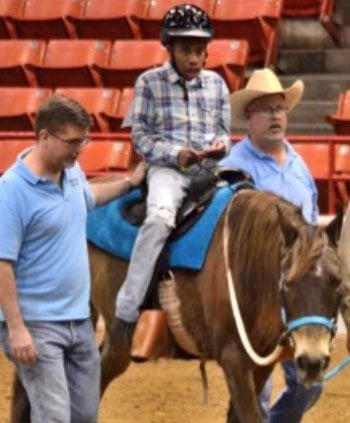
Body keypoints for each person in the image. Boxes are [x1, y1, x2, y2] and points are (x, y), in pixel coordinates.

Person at [0, 94, 146, 423]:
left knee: (84, 417)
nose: (80, 149)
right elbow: (2, 264)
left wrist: (128, 185)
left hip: (78, 323)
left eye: (85, 141)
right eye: (73, 142)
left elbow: (87, 198)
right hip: (37, 326)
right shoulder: (11, 191)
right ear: (44, 137)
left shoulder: (71, 170)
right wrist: (17, 329)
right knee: (54, 419)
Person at [111, 3, 231, 348]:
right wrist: (174, 154)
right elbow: (140, 137)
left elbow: (224, 130)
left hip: (211, 169)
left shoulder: (217, 84)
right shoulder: (148, 83)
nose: (193, 58)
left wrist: (220, 145)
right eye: (185, 50)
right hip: (169, 171)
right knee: (160, 220)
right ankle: (126, 310)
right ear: (170, 48)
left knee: (246, 212)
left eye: (198, 50)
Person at [220, 68, 321, 422]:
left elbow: (313, 222)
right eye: (265, 108)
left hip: (297, 293)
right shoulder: (233, 168)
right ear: (249, 116)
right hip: (255, 293)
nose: (276, 115)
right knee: (253, 389)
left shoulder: (298, 163)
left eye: (280, 107)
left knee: (310, 384)